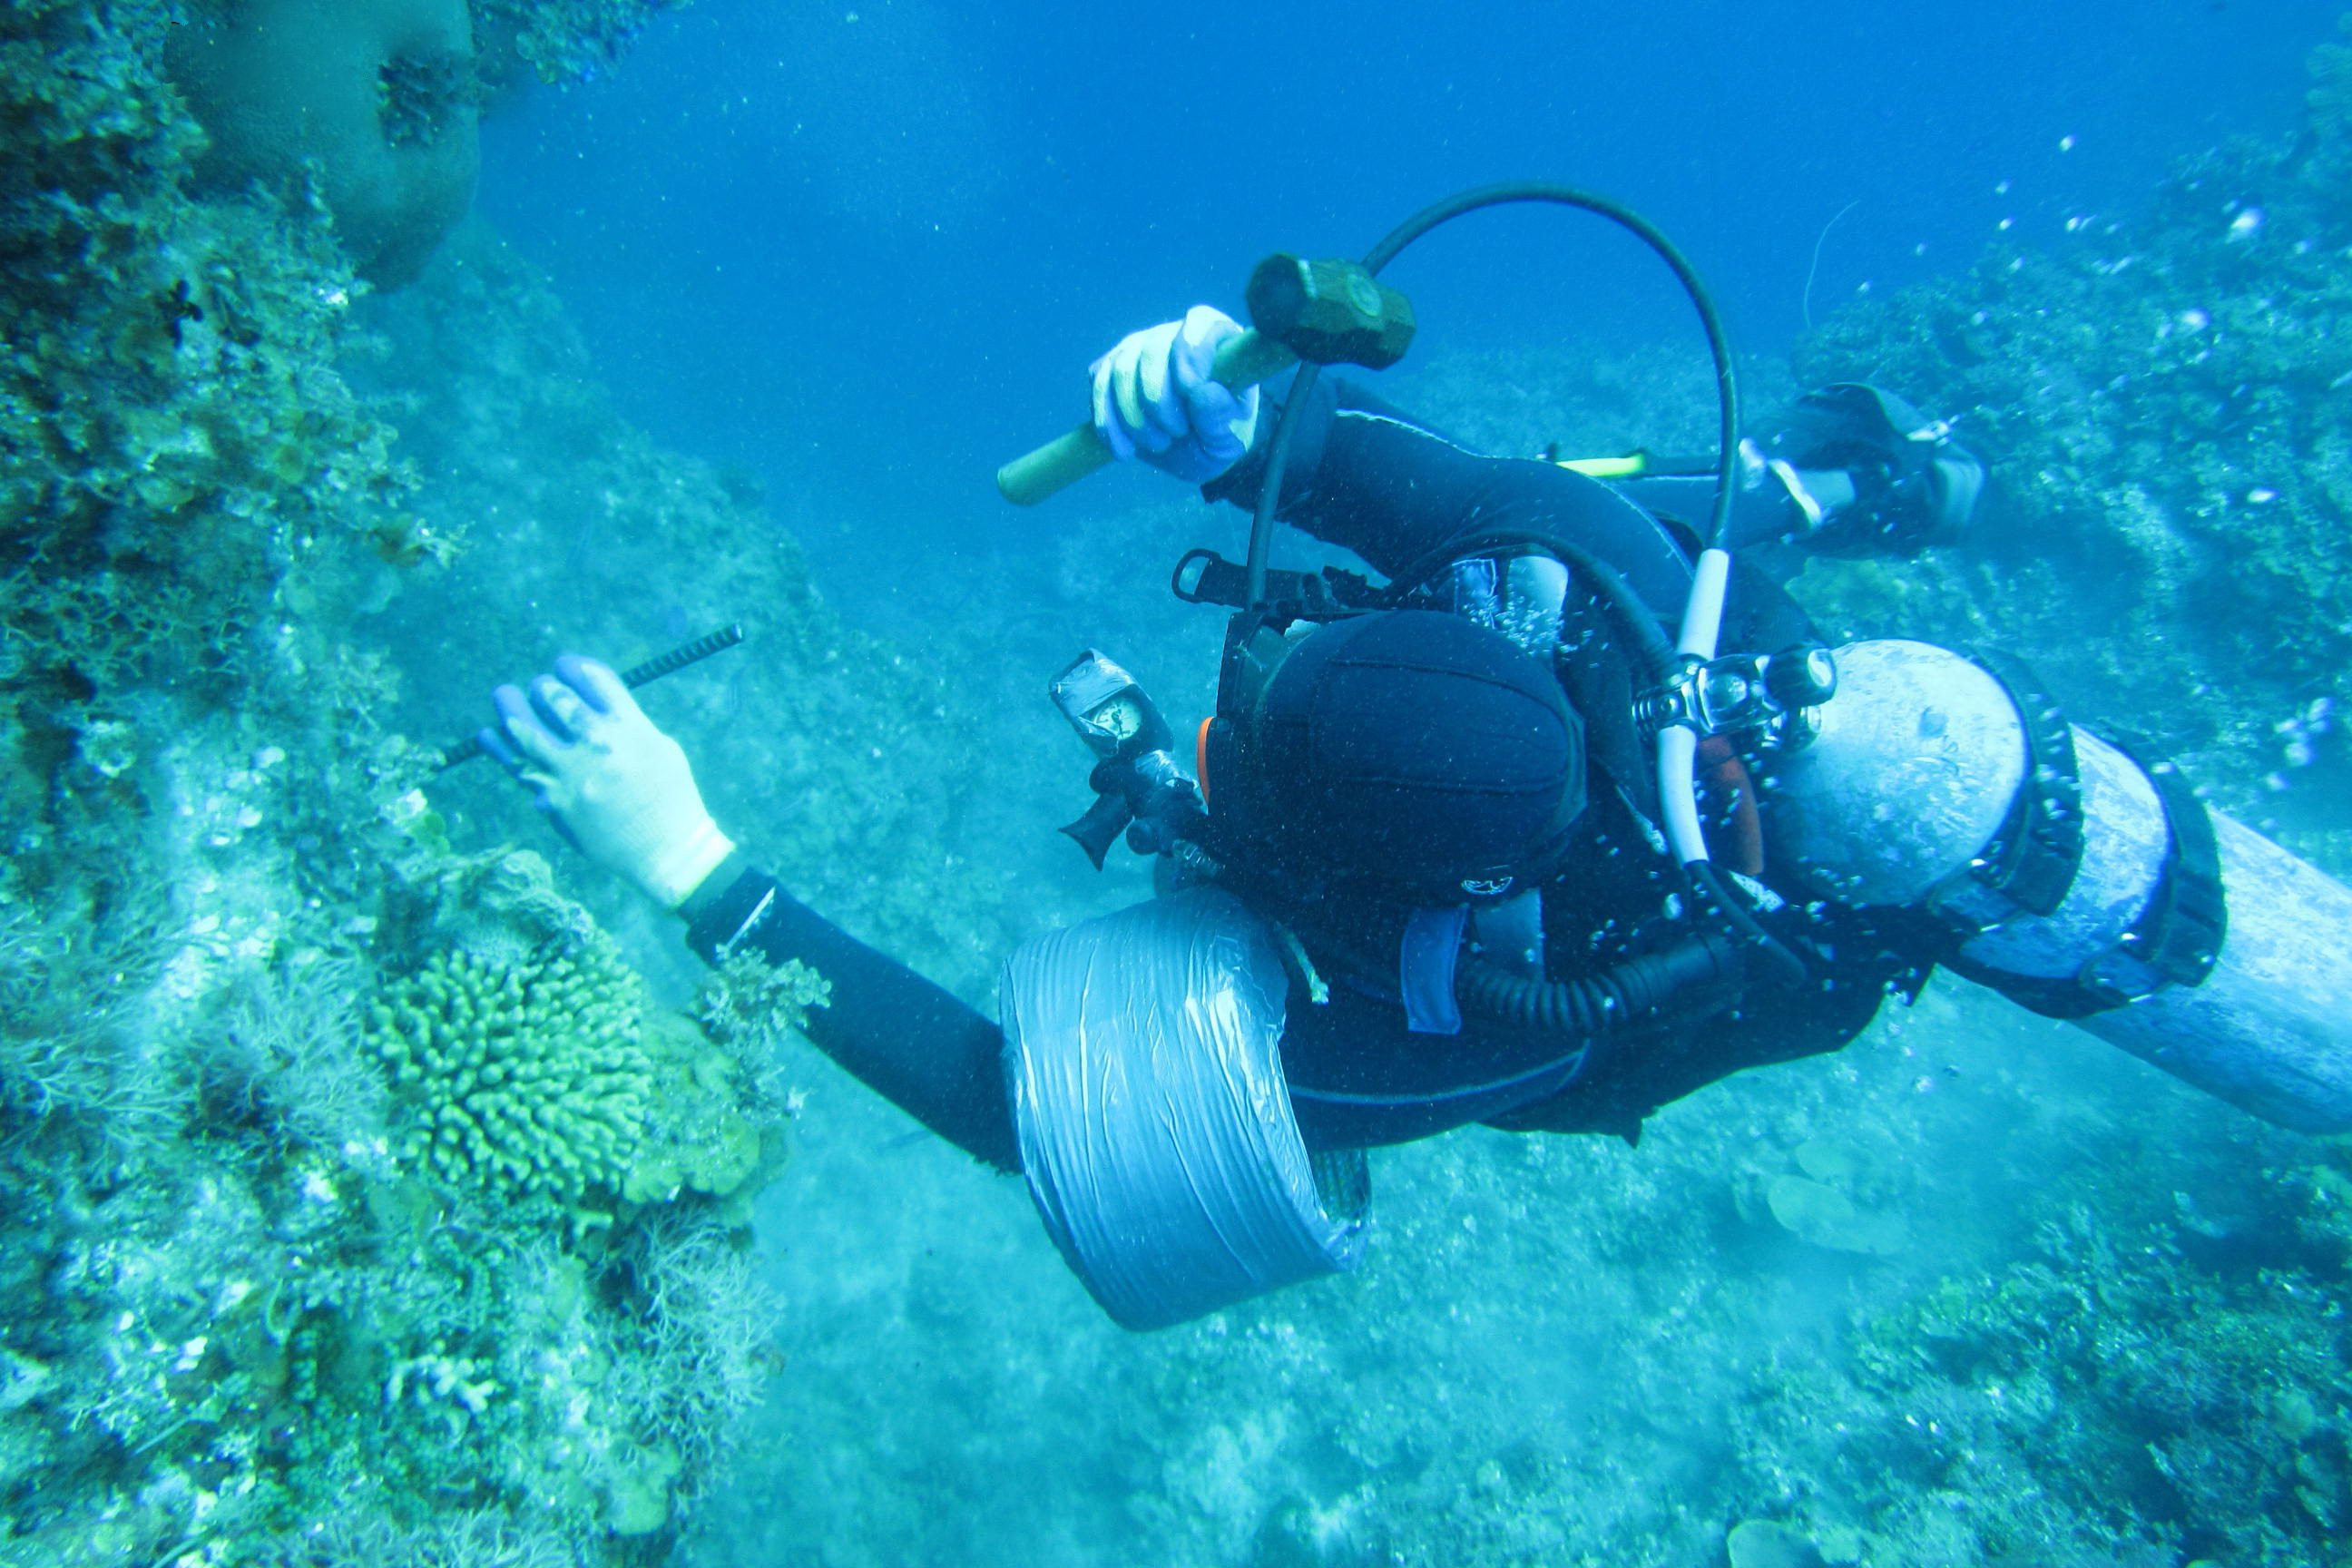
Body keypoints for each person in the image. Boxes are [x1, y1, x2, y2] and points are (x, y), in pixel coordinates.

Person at [479, 308, 2351, 1330]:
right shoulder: (1548, 552)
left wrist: (687, 861)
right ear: (1443, 621)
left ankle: (1841, 521)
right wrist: (1190, 392)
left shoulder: (1482, 1019)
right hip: (1718, 637)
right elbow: (1313, 439)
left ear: (1387, 889)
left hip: (1830, 901)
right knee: (1682, 512)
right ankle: (1847, 486)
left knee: (1743, 611)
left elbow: (1022, 1114)